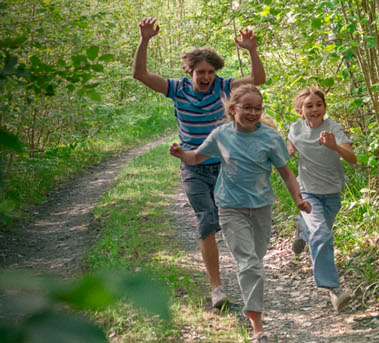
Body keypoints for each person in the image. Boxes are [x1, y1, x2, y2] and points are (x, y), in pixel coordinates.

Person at [131, 16, 266, 311]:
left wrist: (252, 50)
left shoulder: (224, 87)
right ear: (189, 71)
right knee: (206, 222)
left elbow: (258, 79)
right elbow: (140, 74)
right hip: (193, 167)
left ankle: (250, 275)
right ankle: (217, 288)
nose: (205, 77)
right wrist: (144, 40)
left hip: (226, 168)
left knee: (237, 221)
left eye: (210, 71)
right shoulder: (176, 89)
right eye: (200, 72)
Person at [170, 85, 311, 343]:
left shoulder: (270, 138)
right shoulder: (220, 136)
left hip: (261, 208)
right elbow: (195, 158)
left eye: (258, 108)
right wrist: (182, 154)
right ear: (233, 109)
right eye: (247, 108)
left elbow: (286, 173)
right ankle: (257, 327)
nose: (253, 113)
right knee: (250, 263)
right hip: (230, 207)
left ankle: (251, 305)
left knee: (255, 259)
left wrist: (298, 199)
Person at [285, 87, 357, 312]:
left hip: (332, 194)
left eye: (319, 104)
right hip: (308, 192)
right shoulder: (295, 129)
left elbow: (353, 159)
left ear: (325, 108)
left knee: (319, 234)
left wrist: (334, 146)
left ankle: (302, 229)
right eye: (309, 105)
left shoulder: (333, 127)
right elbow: (287, 152)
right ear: (300, 110)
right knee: (322, 235)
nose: (314, 109)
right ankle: (334, 290)